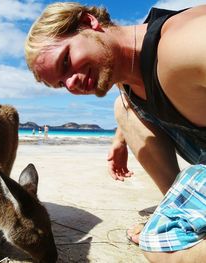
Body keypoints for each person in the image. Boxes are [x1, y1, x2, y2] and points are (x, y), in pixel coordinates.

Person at [24, 2, 206, 262]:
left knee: (159, 244)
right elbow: (128, 102)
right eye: (61, 84)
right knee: (124, 108)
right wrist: (120, 140)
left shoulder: (184, 44)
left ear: (89, 22)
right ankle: (178, 206)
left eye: (66, 61)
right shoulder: (126, 67)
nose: (72, 83)